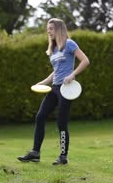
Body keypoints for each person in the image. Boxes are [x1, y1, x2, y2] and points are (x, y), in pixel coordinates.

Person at [18, 18, 90, 165]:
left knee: (61, 122)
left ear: (59, 29)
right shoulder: (53, 49)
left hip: (66, 89)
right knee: (40, 116)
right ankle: (35, 153)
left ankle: (63, 156)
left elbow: (85, 60)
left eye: (51, 28)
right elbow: (55, 72)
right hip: (54, 89)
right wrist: (42, 83)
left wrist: (72, 75)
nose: (48, 31)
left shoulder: (69, 44)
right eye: (47, 29)